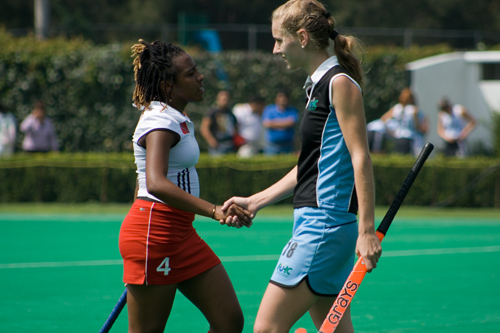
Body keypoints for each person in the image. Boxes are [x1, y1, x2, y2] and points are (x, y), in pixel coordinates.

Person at [221, 1, 382, 332]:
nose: (275, 48)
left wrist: (367, 230)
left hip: (325, 225)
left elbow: (360, 157)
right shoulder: (316, 87)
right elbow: (311, 167)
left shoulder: (340, 83)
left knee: (266, 328)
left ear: (303, 37)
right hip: (316, 222)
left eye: (280, 40)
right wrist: (256, 200)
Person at [118, 39, 252, 333]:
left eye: (197, 70)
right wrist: (215, 210)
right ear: (167, 85)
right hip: (156, 232)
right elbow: (155, 183)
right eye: (190, 74)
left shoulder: (174, 116)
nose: (200, 77)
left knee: (229, 321)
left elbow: (142, 181)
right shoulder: (159, 120)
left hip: (179, 233)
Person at [380, 88, 428, 156]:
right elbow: (384, 119)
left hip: (407, 138)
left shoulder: (410, 109)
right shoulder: (399, 108)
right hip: (403, 138)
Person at [200, 89, 240, 155]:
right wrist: (211, 140)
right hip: (217, 144)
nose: (225, 101)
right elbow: (204, 128)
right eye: (223, 99)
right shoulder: (212, 112)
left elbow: (235, 129)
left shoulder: (231, 114)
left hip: (229, 144)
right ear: (218, 100)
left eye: (226, 99)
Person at [262, 89, 299, 155]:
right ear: (276, 99)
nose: (282, 99)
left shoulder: (292, 110)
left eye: (284, 97)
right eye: (280, 97)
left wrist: (274, 123)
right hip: (272, 145)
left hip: (288, 145)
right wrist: (285, 122)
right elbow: (267, 124)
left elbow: (291, 123)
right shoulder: (269, 109)